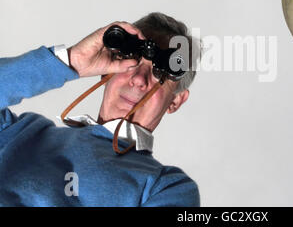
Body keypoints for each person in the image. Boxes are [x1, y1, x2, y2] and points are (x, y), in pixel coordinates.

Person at [0, 12, 201, 206]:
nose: (139, 79)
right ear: (106, 73)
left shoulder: (166, 187)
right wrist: (72, 60)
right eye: (132, 61)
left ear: (175, 101)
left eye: (160, 72)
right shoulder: (19, 132)